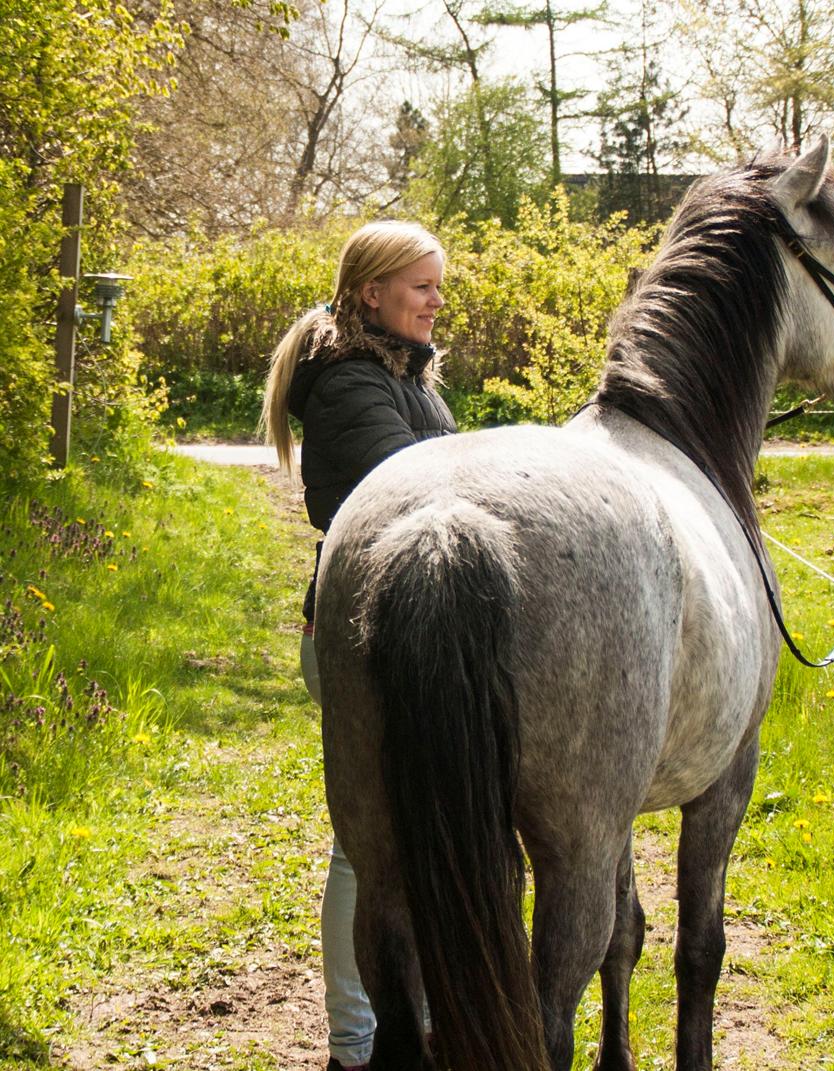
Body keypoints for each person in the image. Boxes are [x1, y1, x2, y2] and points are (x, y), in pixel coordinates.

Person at [261, 220, 455, 1071]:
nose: (437, 302)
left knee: (417, 839)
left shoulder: (404, 374)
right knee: (367, 846)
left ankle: (408, 1019)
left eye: (438, 286)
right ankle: (355, 1042)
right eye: (422, 286)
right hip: (359, 638)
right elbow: (421, 491)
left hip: (413, 630)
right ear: (371, 293)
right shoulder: (348, 384)